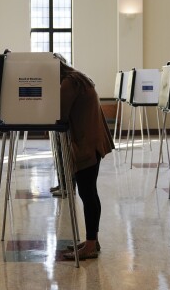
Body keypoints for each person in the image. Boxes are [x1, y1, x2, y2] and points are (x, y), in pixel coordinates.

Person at [55, 54, 114, 260]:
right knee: (89, 192)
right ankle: (92, 241)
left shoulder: (68, 83)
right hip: (93, 140)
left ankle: (90, 246)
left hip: (86, 144)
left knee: (87, 193)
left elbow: (59, 116)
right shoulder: (78, 78)